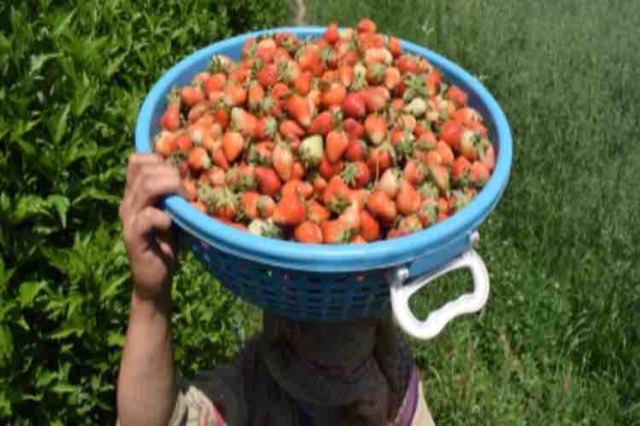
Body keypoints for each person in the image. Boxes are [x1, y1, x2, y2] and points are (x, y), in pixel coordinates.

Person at [117, 153, 436, 426]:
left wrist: (150, 300)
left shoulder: (396, 391)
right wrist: (149, 298)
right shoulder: (255, 389)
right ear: (283, 324)